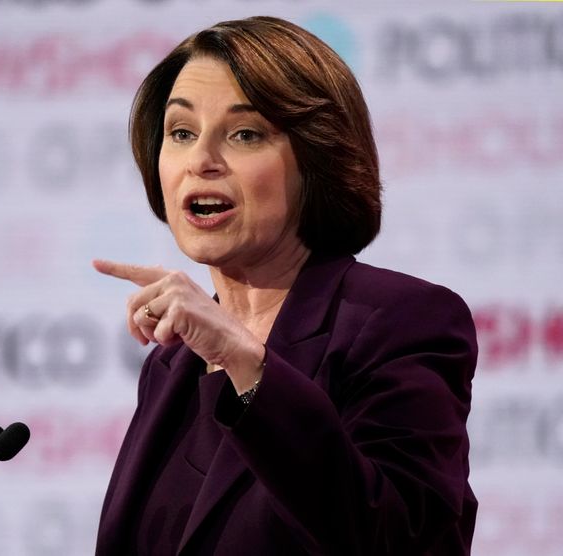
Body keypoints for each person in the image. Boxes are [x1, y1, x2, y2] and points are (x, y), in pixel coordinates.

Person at [93, 16, 477, 556]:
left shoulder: (400, 321)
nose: (200, 161)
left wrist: (247, 367)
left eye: (244, 134)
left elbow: (406, 540)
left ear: (316, 160)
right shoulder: (172, 365)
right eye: (181, 133)